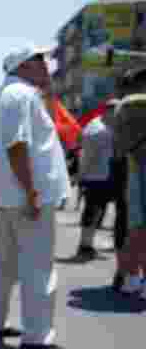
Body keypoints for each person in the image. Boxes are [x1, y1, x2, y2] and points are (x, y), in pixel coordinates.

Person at [0, 46, 71, 349]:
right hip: (26, 194)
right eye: (40, 60)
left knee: (3, 262)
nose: (46, 65)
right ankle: (37, 338)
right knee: (38, 266)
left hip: (10, 195)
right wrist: (32, 190)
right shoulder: (22, 95)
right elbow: (18, 145)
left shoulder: (5, 94)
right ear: (24, 65)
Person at [112, 66, 146, 295]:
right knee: (138, 229)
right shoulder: (137, 103)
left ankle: (129, 277)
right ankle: (129, 277)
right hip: (141, 169)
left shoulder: (124, 105)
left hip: (134, 168)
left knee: (136, 227)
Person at [74, 99, 120, 260]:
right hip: (96, 177)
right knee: (93, 212)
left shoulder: (108, 127)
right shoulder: (97, 130)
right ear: (108, 111)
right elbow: (88, 156)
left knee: (101, 212)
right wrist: (82, 175)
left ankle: (92, 244)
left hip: (107, 176)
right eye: (116, 111)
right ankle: (85, 245)